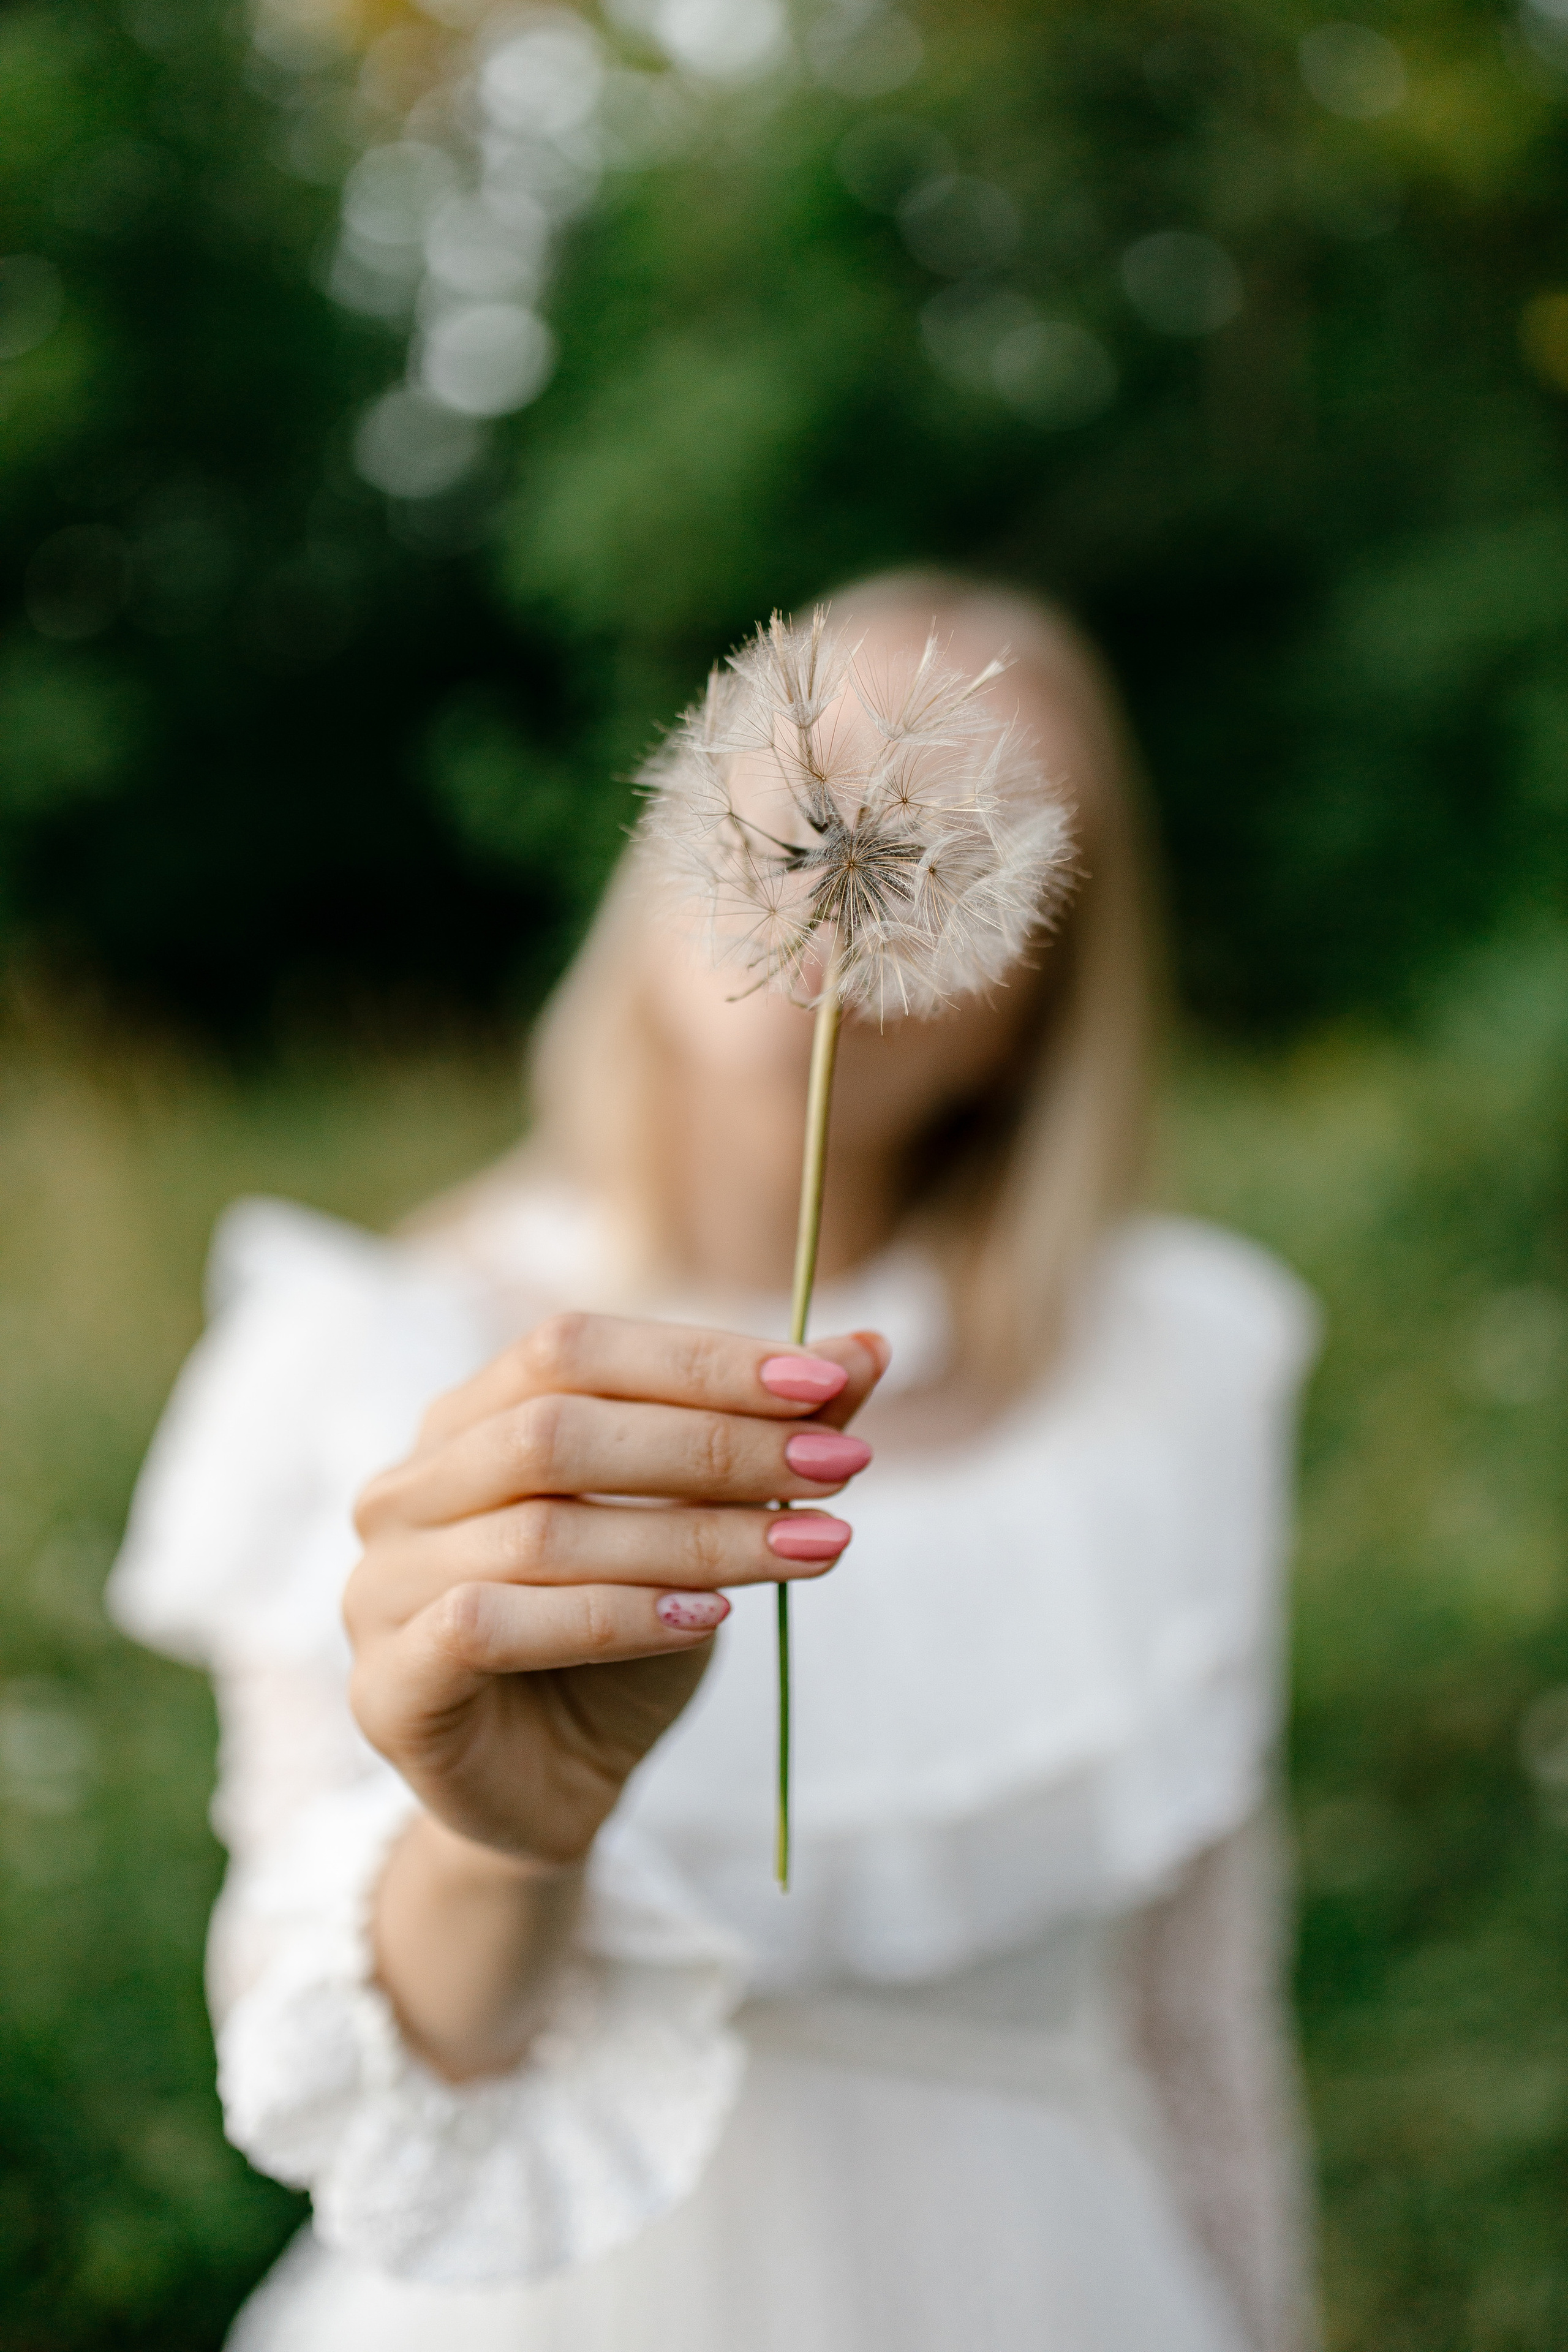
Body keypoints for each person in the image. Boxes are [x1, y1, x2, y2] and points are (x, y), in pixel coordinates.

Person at [108, 573, 1321, 2352]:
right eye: (809, 757)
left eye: (967, 811)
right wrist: (504, 1844)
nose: (861, 827)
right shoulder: (360, 1350)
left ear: (1041, 983)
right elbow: (332, 2063)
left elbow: (1201, 2024)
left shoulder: (1175, 1369)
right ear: (673, 817)